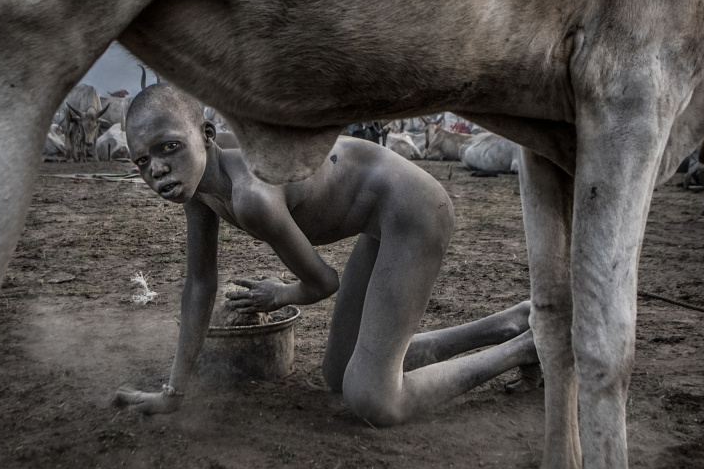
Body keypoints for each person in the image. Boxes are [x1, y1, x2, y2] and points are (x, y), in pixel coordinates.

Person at [112, 84, 538, 426]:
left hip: (413, 209)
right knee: (340, 374)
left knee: (372, 398)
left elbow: (322, 282)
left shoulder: (251, 196)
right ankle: (512, 322)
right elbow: (199, 285)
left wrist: (277, 296)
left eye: (169, 148)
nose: (158, 170)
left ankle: (527, 345)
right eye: (142, 161)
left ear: (205, 136)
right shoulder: (200, 188)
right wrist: (173, 393)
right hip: (379, 216)